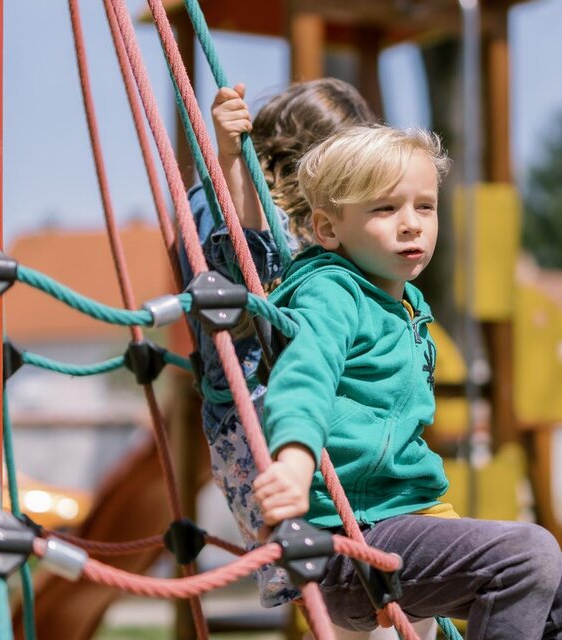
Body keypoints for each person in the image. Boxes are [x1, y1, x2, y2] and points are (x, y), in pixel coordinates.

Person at [253, 125, 562, 639]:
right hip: (347, 544)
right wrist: (295, 458)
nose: (411, 225)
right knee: (527, 554)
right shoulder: (330, 294)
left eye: (425, 207)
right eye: (384, 209)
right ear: (328, 229)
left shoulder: (408, 306)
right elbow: (304, 373)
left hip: (404, 528)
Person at [178, 78, 377, 607]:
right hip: (260, 406)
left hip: (317, 407)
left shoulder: (319, 220)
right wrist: (229, 156)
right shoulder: (219, 197)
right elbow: (241, 277)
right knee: (338, 577)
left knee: (390, 577)